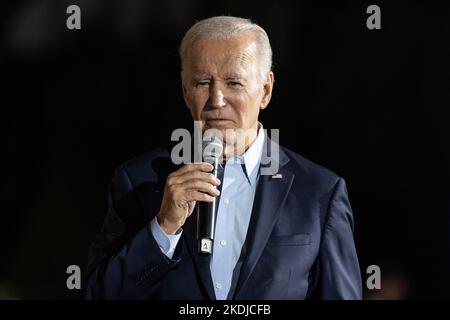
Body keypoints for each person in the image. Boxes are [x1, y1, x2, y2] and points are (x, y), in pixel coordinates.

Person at [83, 16, 362, 300]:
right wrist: (163, 228)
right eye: (203, 82)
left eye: (233, 83)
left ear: (265, 90)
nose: (216, 99)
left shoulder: (319, 193)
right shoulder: (138, 181)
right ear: (184, 91)